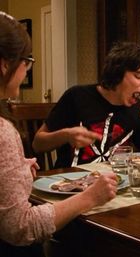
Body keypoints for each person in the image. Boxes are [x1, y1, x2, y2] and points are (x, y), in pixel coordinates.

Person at [0, 11, 117, 257]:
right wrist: (90, 197)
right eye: (27, 61)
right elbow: (21, 228)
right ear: (4, 64)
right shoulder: (3, 131)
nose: (27, 70)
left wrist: (18, 169)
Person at [33, 41, 140, 168]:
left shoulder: (136, 107)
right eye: (139, 76)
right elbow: (37, 144)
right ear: (117, 72)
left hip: (115, 182)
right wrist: (66, 135)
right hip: (70, 181)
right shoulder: (76, 96)